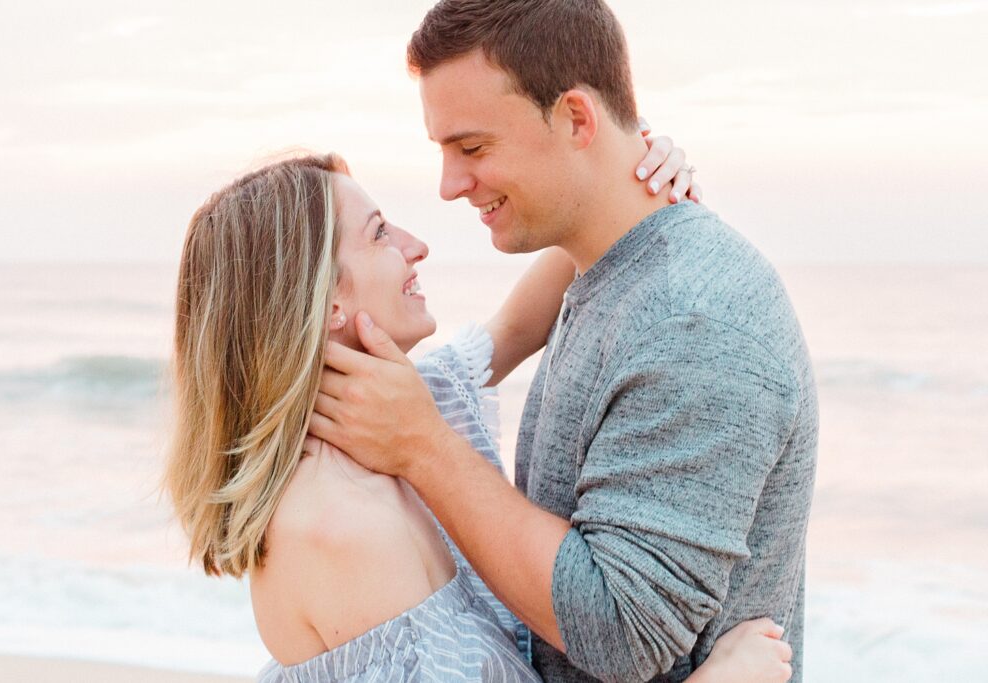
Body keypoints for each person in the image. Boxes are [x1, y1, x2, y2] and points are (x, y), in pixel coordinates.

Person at [308, 1, 818, 682]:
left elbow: (620, 633)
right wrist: (637, 160)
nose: (449, 185)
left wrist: (425, 445)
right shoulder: (606, 273)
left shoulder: (693, 321)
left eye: (473, 147)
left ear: (576, 118)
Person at [165, 153, 794, 682]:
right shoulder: (338, 529)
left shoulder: (404, 414)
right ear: (327, 302)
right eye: (381, 233)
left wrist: (632, 176)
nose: (417, 246)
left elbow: (518, 324)